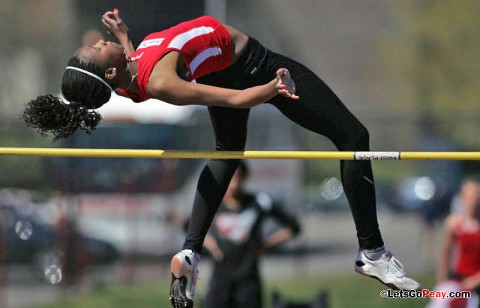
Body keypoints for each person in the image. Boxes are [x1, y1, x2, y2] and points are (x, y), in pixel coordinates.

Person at [21, 9, 420, 308]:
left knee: (227, 155)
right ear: (108, 72)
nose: (99, 41)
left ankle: (190, 251)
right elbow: (235, 98)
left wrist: (125, 39)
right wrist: (271, 88)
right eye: (96, 48)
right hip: (251, 66)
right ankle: (372, 252)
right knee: (354, 136)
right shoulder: (159, 82)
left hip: (223, 69)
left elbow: (134, 73)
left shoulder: (128, 77)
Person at [202, 161, 300, 308]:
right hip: (221, 277)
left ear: (244, 177)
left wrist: (264, 246)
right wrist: (212, 246)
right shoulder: (213, 204)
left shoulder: (258, 202)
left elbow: (293, 227)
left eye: (237, 177)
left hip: (248, 278)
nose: (233, 184)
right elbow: (191, 228)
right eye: (228, 178)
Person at [429, 179, 480, 308]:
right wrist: (441, 280)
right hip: (458, 279)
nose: (473, 201)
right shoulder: (455, 223)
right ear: (462, 198)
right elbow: (445, 252)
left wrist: (474, 281)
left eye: (476, 197)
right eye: (469, 197)